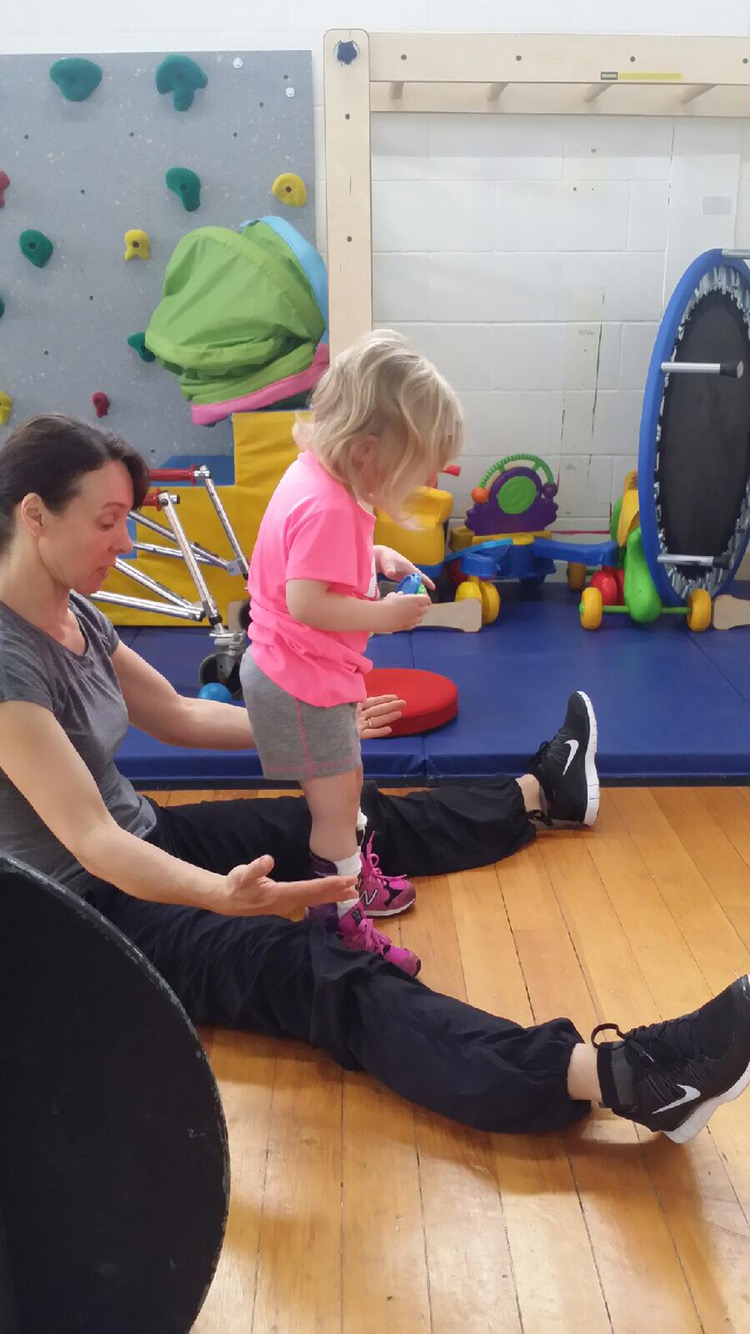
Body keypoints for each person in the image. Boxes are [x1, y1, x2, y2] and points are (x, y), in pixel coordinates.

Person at [0, 411, 749, 1146]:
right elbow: (90, 838)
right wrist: (219, 895)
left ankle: (541, 795)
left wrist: (316, 726)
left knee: (345, 814)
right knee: (316, 970)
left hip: (142, 837)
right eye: (108, 522)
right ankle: (626, 1077)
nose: (126, 543)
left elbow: (178, 716)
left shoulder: (77, 614)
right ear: (35, 515)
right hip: (80, 910)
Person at [243, 330, 462, 977]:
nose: (417, 483)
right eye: (412, 470)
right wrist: (384, 616)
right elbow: (308, 600)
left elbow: (310, 561)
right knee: (335, 810)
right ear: (368, 451)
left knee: (345, 785)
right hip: (301, 678)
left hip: (297, 671)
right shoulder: (329, 505)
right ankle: (340, 925)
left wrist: (373, 557)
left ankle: (351, 884)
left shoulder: (316, 475)